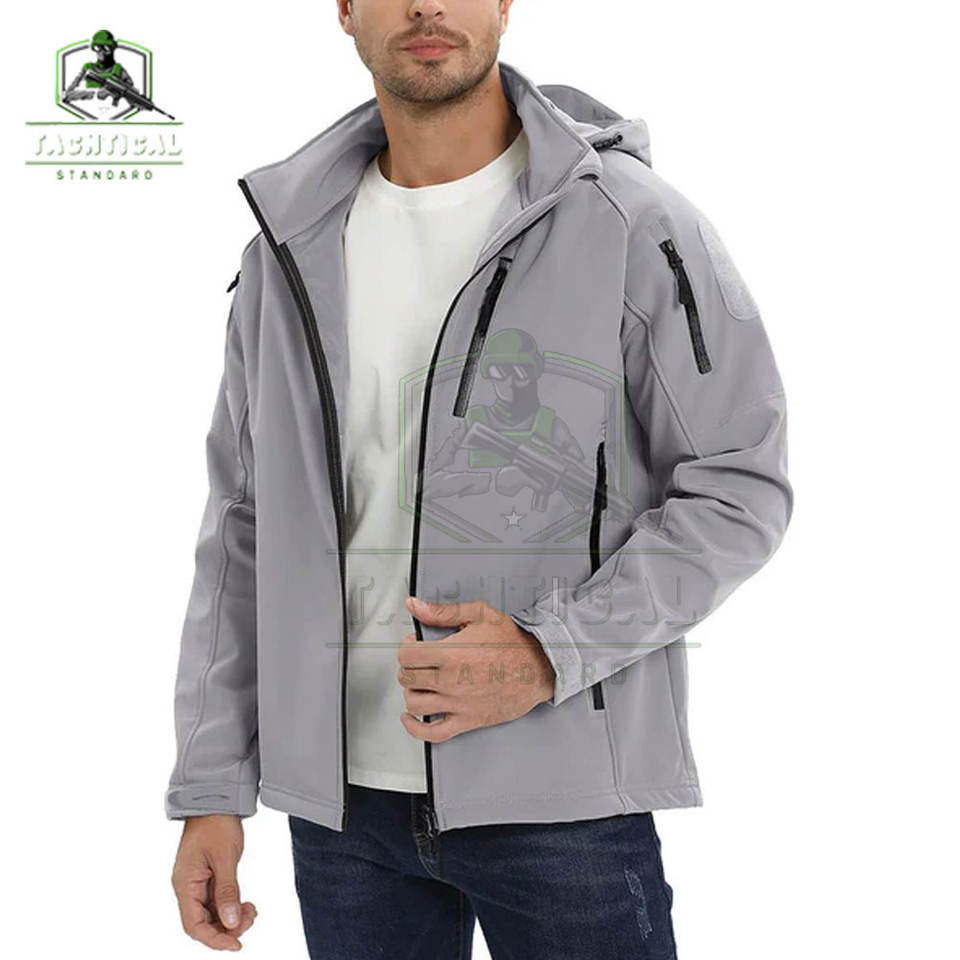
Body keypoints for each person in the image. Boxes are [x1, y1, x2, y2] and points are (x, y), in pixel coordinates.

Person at [167, 2, 793, 956]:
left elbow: (740, 486)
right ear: (345, 9)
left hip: (562, 806)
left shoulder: (630, 221)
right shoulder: (286, 247)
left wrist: (552, 650)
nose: (427, 4)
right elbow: (243, 525)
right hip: (341, 818)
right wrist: (212, 786)